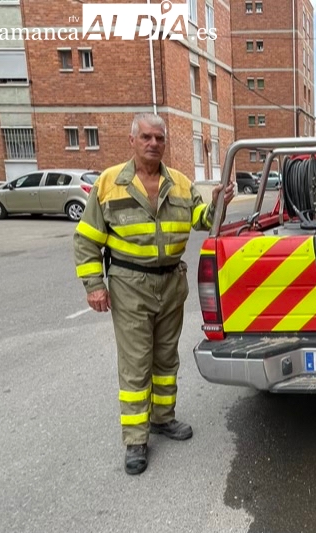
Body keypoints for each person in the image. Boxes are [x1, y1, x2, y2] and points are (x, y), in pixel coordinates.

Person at [73, 113, 234, 475]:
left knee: (165, 359)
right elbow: (86, 239)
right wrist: (95, 285)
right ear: (132, 140)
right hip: (130, 284)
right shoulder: (109, 183)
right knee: (135, 364)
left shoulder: (179, 183)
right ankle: (135, 440)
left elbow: (203, 220)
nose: (153, 143)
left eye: (159, 138)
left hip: (171, 283)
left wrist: (219, 203)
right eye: (146, 137)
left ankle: (163, 418)